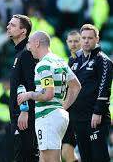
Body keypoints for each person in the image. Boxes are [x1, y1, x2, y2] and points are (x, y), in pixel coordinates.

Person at [18, 31, 81, 162]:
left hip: (48, 117)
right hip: (57, 115)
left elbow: (48, 94)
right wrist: (62, 107)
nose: (28, 48)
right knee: (44, 158)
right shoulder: (60, 61)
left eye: (29, 43)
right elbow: (76, 86)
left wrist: (29, 95)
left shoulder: (43, 64)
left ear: (37, 43)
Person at [68, 24, 113, 162]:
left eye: (90, 38)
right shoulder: (74, 60)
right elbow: (69, 87)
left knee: (99, 157)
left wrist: (98, 112)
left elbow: (105, 87)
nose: (86, 41)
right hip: (78, 118)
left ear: (97, 39)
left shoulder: (103, 60)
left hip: (95, 119)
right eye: (84, 38)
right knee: (85, 157)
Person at [6, 14, 39, 162]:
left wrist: (24, 111)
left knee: (25, 156)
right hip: (17, 116)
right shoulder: (18, 53)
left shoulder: (26, 53)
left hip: (24, 116)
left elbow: (29, 84)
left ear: (23, 31)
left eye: (13, 25)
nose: (8, 27)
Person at [62, 30, 81, 162]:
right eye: (70, 41)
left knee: (67, 150)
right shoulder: (68, 62)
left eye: (76, 41)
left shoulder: (87, 62)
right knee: (66, 152)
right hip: (69, 112)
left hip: (82, 112)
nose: (73, 44)